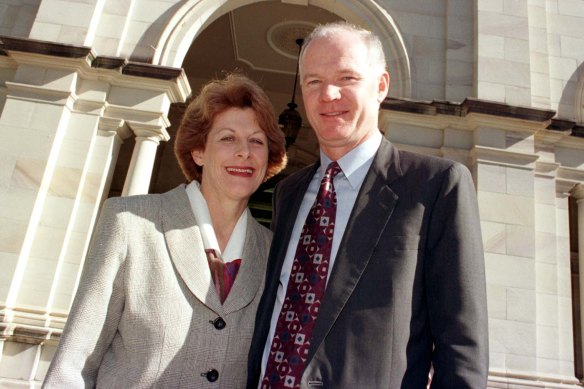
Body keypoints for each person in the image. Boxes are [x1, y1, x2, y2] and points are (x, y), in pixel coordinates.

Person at [247, 22, 489, 388]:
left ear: (380, 86)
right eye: (313, 81)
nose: (328, 94)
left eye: (346, 78)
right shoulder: (290, 192)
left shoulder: (436, 186)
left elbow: (462, 350)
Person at [43, 73, 287, 388]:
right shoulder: (129, 222)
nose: (245, 152)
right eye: (228, 138)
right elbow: (73, 366)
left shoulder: (274, 252)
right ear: (199, 152)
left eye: (257, 141)